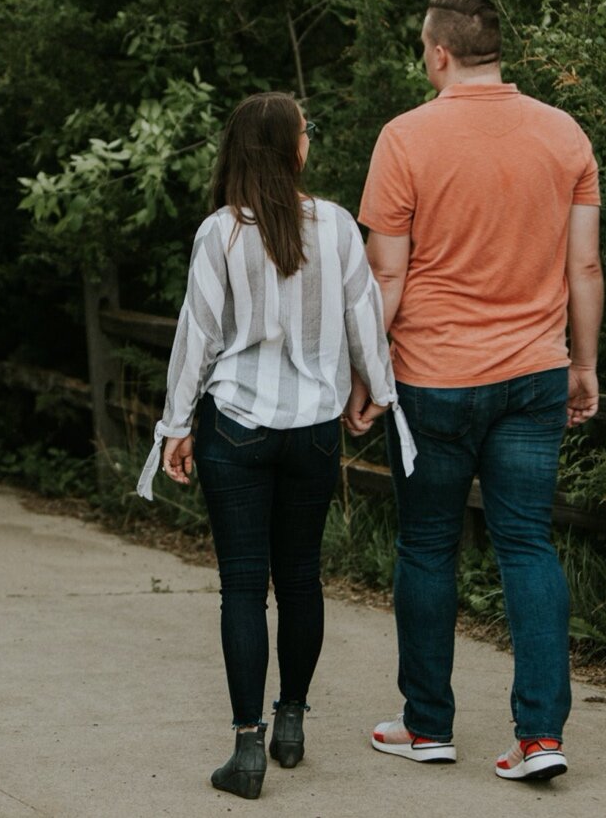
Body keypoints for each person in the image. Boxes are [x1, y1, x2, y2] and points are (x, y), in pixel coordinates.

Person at [346, 0, 603, 782]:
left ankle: (428, 725)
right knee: (527, 543)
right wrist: (583, 365)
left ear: (439, 52)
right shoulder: (564, 134)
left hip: (432, 380)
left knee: (427, 545)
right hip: (534, 373)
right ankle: (539, 738)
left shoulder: (406, 138)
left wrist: (364, 373)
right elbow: (585, 265)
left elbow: (386, 272)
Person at [136, 91, 416, 800]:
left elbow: (195, 337)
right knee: (300, 579)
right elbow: (364, 319)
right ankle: (291, 721)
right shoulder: (336, 227)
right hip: (313, 432)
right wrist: (375, 391)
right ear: (294, 148)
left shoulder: (220, 233)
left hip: (235, 426)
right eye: (306, 131)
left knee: (242, 586)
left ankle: (247, 747)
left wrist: (174, 426)